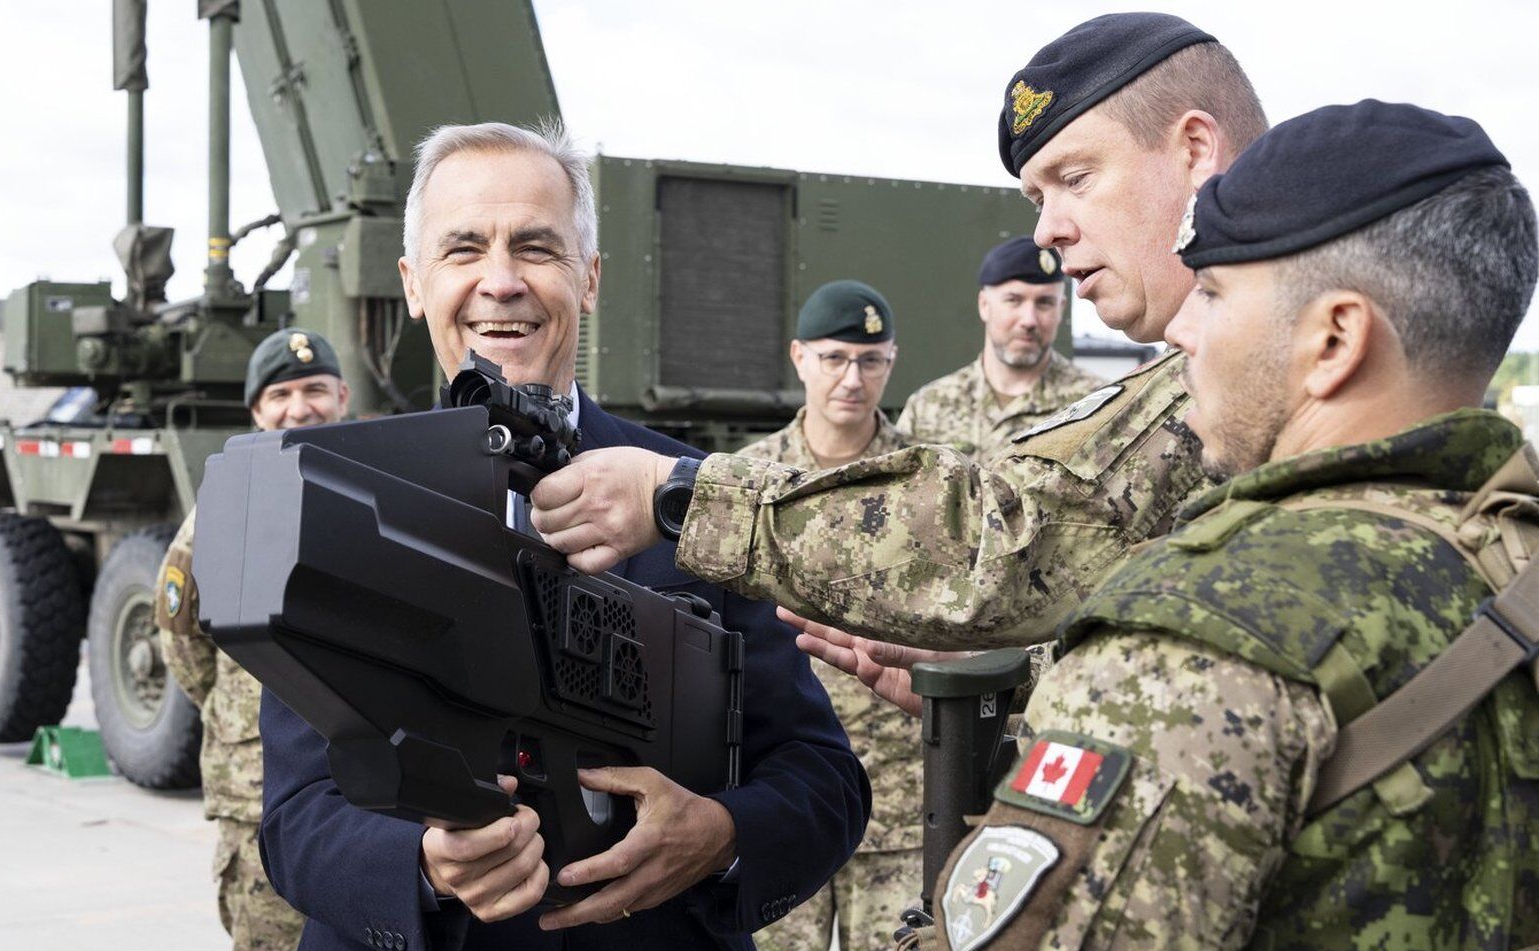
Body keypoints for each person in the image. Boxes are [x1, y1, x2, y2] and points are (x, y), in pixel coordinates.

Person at [835, 100, 1539, 951]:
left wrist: (1111, 698)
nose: (1181, 332)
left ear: (1335, 339)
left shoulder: (1205, 627)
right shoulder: (1511, 560)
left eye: (1210, 293)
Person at [254, 120, 870, 951]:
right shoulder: (330, 498)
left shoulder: (698, 499)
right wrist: (420, 868)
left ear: (588, 277)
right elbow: (296, 813)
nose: (500, 280)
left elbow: (824, 778)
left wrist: (720, 837)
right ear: (414, 282)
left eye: (536, 247)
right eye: (464, 248)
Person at [528, 12, 1267, 652]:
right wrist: (998, 680)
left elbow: (1002, 544)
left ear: (1195, 149)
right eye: (1037, 198)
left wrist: (679, 496)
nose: (1048, 231)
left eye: (1075, 179)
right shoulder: (1230, 349)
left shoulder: (1257, 351)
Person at [156, 326, 349, 951]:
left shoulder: (385, 484)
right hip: (259, 800)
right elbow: (182, 641)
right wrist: (241, 721)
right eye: (281, 395)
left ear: (342, 397)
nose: (300, 408)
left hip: (368, 795)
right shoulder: (222, 509)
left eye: (314, 390)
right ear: (256, 412)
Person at [740, 280, 920, 951]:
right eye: (836, 358)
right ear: (799, 359)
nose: (853, 378)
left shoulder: (930, 481)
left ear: (892, 364)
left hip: (900, 800)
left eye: (871, 361)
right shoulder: (744, 482)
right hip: (783, 791)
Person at [895, 237, 1101, 461]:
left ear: (1061, 309)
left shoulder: (1094, 405)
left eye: (1044, 303)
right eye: (1014, 300)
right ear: (984, 305)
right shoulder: (928, 408)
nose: (1029, 320)